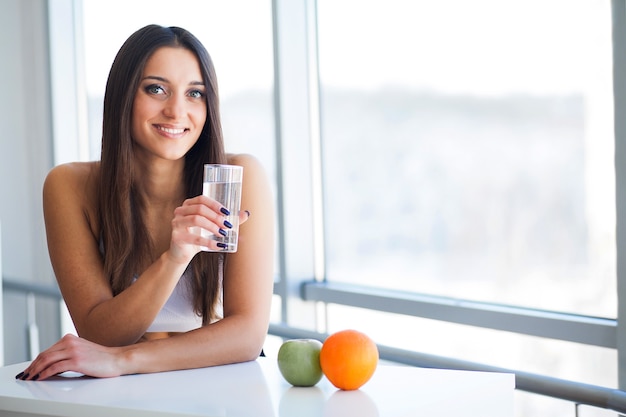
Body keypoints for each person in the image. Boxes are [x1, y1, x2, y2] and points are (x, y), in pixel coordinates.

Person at [15, 24, 274, 381]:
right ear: (124, 96)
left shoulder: (238, 177)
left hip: (212, 385)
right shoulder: (69, 186)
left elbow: (247, 335)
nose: (176, 111)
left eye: (194, 94)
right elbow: (100, 334)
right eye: (156, 89)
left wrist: (123, 360)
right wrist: (175, 257)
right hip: (117, 393)